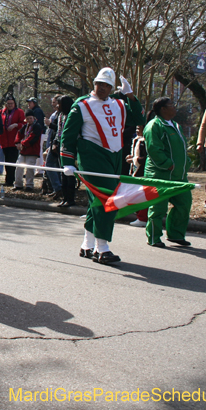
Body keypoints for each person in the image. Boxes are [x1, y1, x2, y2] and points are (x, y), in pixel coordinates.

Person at [59, 68, 145, 264]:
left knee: (97, 201)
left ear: (112, 88)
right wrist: (68, 162)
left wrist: (131, 96)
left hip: (115, 157)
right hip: (92, 156)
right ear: (94, 84)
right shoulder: (82, 105)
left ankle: (87, 245)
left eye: (107, 85)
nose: (103, 88)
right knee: (106, 199)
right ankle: (102, 248)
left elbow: (139, 119)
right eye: (100, 84)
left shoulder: (119, 104)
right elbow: (68, 135)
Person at [144, 98, 192, 247]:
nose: (174, 107)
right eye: (171, 105)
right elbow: (154, 149)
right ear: (163, 109)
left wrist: (187, 162)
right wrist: (167, 164)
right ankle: (154, 237)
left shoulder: (176, 125)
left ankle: (175, 234)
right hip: (160, 175)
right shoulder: (154, 126)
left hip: (179, 176)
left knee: (184, 204)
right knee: (158, 208)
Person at [125, 123, 148, 227]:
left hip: (142, 172)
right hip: (135, 171)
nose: (137, 130)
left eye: (140, 128)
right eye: (137, 128)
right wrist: (132, 156)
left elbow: (146, 158)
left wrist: (134, 159)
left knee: (142, 196)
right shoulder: (137, 140)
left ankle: (142, 218)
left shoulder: (145, 141)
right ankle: (139, 215)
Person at [0, 96, 25, 187]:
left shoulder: (19, 112)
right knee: (7, 161)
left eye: (11, 103)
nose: (10, 105)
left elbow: (24, 124)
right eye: (8, 103)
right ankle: (8, 179)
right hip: (4, 141)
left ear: (14, 104)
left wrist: (16, 125)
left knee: (12, 161)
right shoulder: (2, 112)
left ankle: (11, 179)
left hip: (14, 140)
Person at [13, 110, 41, 192]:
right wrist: (17, 142)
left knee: (30, 169)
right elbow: (19, 133)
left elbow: (33, 138)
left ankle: (29, 185)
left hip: (32, 151)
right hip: (23, 151)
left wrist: (22, 144)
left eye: (31, 118)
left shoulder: (37, 126)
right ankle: (18, 184)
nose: (29, 120)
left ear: (34, 118)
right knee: (19, 167)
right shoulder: (25, 126)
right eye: (27, 119)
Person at [44, 95, 63, 199]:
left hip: (59, 144)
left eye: (55, 102)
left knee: (52, 165)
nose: (54, 105)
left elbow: (60, 130)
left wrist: (50, 124)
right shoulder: (56, 114)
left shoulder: (63, 114)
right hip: (53, 143)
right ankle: (57, 188)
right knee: (52, 166)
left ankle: (59, 188)